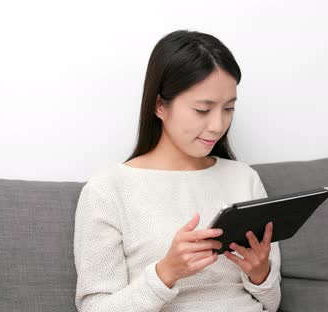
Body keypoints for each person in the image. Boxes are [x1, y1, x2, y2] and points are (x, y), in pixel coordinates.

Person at [73, 30, 281, 312]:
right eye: (202, 110)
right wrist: (166, 272)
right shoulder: (108, 189)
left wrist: (260, 273)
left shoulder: (244, 178)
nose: (218, 125)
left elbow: (272, 301)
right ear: (160, 105)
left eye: (229, 108)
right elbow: (94, 308)